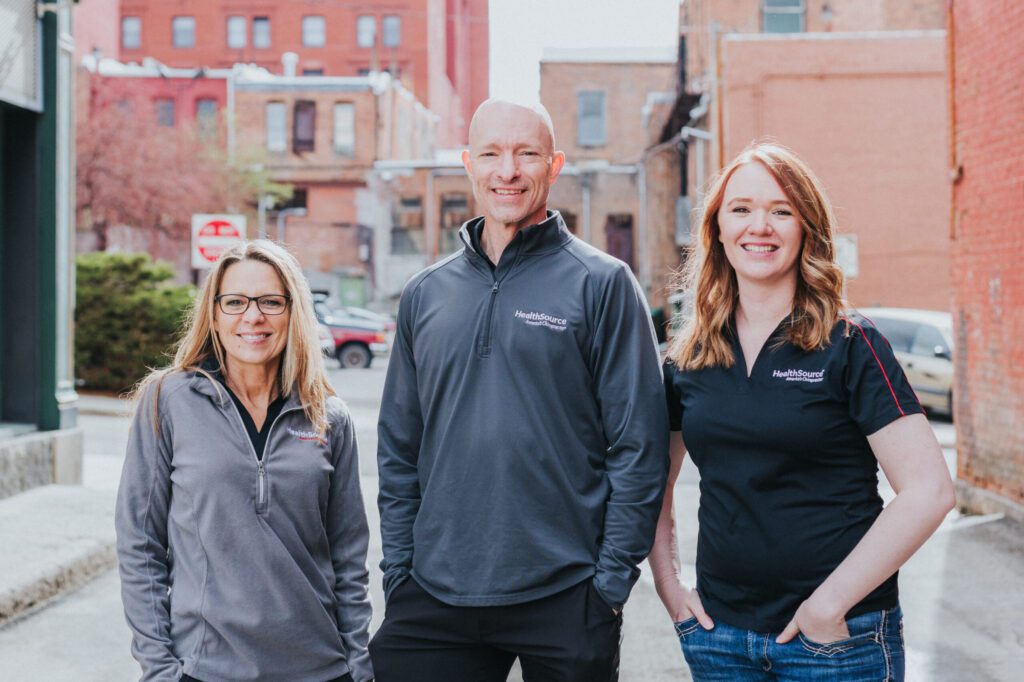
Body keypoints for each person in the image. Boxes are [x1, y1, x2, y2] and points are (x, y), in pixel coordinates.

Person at [369, 99, 669, 681]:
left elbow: (638, 445)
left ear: (553, 166)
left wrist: (607, 585)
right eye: (491, 154)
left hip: (565, 593)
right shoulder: (425, 294)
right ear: (468, 164)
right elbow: (398, 448)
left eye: (526, 154)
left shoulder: (602, 283)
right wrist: (400, 571)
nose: (508, 170)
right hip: (434, 593)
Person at [650, 142, 956, 681]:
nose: (759, 226)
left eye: (781, 210)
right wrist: (671, 586)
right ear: (718, 230)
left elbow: (929, 491)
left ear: (806, 228)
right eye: (741, 209)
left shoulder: (851, 343)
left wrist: (827, 606)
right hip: (721, 639)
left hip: (839, 642)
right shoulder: (690, 355)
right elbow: (655, 482)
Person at [115, 240, 373, 682]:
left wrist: (358, 665)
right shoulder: (167, 401)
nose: (252, 317)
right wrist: (160, 668)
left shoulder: (329, 417)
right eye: (235, 302)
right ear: (213, 314)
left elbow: (349, 557)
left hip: (320, 668)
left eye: (270, 302)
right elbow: (141, 544)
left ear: (294, 312)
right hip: (206, 668)